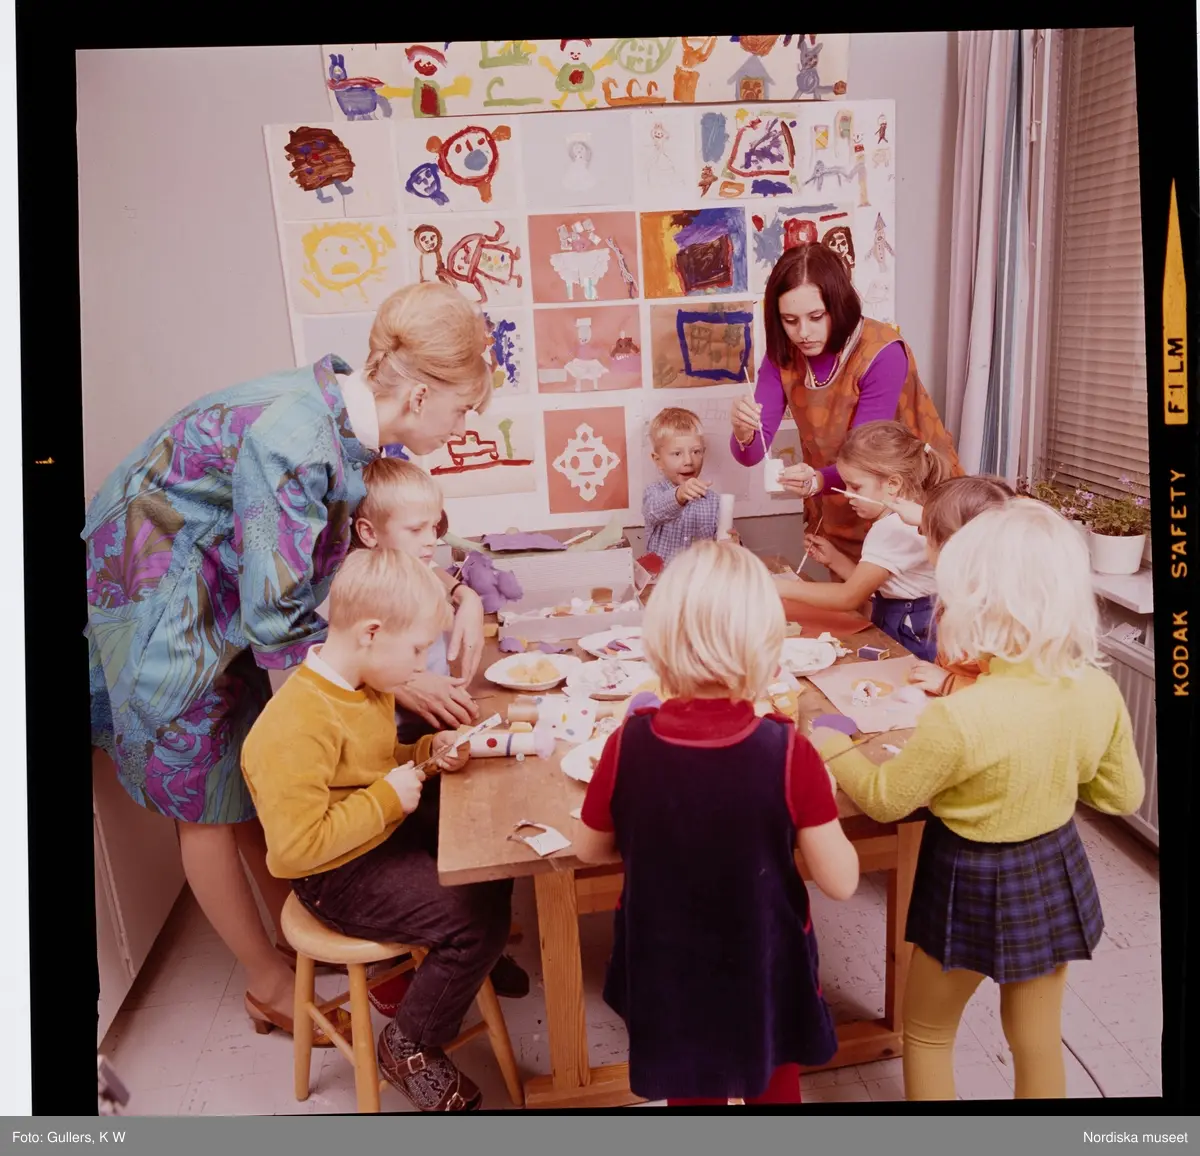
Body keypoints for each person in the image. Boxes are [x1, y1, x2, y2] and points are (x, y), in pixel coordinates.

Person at [83, 281, 492, 1042]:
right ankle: (268, 984)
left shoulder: (347, 424)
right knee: (204, 796)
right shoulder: (298, 443)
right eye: (464, 408)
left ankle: (297, 935)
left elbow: (374, 547)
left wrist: (460, 592)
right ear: (420, 394)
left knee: (245, 771)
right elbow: (277, 619)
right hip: (159, 595)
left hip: (214, 587)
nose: (467, 424)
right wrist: (401, 672)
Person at [810, 500, 1145, 1099]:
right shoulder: (1096, 687)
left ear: (974, 603)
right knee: (1036, 1037)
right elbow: (1120, 794)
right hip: (1052, 869)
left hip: (967, 875)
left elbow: (886, 801)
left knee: (929, 1033)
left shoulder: (961, 716)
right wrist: (1056, 767)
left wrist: (831, 743)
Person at [575, 541, 860, 1104]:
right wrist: (821, 796)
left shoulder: (627, 743)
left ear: (658, 643)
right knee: (774, 1092)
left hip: (667, 966)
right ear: (768, 652)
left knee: (690, 1093)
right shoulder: (790, 754)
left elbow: (588, 848)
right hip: (763, 966)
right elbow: (843, 881)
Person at [242, 548, 513, 1112]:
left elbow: (377, 765)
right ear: (371, 633)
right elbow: (293, 851)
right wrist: (386, 798)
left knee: (487, 835)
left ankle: (473, 960)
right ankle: (409, 1045)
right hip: (333, 874)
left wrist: (428, 752)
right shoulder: (293, 726)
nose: (419, 665)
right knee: (473, 917)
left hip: (375, 834)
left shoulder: (364, 685)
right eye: (416, 650)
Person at [347, 456, 530, 1017]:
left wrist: (467, 595)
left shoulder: (415, 566)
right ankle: (400, 965)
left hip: (427, 735)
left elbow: (446, 579)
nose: (431, 540)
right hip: (385, 761)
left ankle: (485, 946)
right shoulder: (361, 589)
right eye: (417, 529)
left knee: (490, 821)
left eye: (435, 526)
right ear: (369, 533)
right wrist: (406, 685)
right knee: (442, 841)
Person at [729, 243, 961, 562]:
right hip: (840, 498)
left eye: (815, 317)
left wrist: (818, 480)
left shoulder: (882, 353)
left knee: (901, 589)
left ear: (837, 305)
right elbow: (753, 454)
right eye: (790, 320)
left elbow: (866, 457)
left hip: (905, 503)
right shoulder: (782, 354)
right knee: (849, 588)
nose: (803, 333)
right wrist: (743, 432)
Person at [773, 421, 950, 661]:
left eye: (855, 486)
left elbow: (850, 597)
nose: (846, 495)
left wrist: (779, 587)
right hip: (920, 623)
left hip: (914, 635)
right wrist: (835, 560)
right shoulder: (914, 511)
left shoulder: (891, 529)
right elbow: (883, 584)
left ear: (893, 484)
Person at [901, 475, 1016, 695]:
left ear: (950, 546)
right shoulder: (966, 590)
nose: (925, 544)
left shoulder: (994, 616)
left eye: (927, 536)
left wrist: (948, 683)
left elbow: (1009, 696)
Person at [641, 407, 721, 564]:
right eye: (677, 453)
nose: (688, 461)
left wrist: (734, 543)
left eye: (696, 452)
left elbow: (726, 547)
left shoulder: (714, 502)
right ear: (658, 460)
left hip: (700, 576)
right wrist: (679, 495)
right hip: (664, 577)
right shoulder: (653, 493)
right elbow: (653, 512)